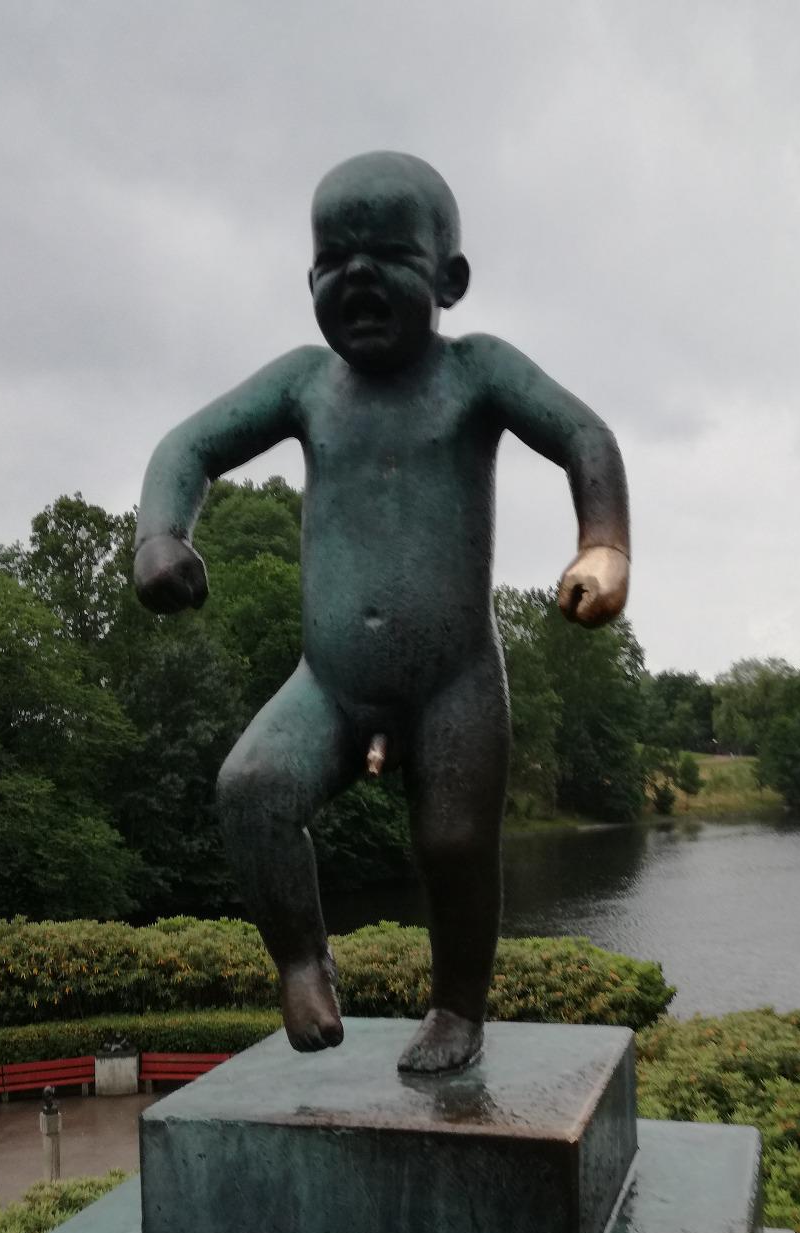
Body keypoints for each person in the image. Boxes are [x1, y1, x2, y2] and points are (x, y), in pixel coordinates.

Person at [133, 151, 631, 1074]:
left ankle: (458, 1008)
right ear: (310, 279)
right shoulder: (305, 385)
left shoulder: (476, 372)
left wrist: (603, 543)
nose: (357, 275)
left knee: (452, 842)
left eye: (388, 255)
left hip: (455, 684)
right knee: (252, 792)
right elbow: (190, 445)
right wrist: (162, 535)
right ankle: (301, 960)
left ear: (450, 278)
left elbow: (581, 435)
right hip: (328, 683)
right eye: (334, 259)